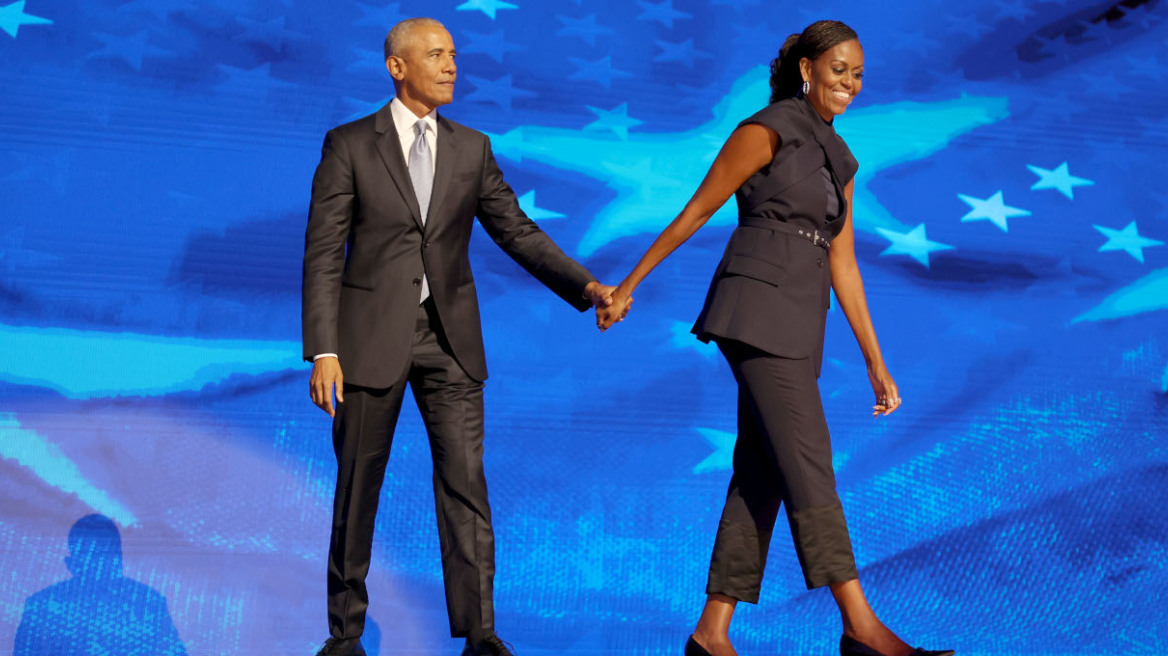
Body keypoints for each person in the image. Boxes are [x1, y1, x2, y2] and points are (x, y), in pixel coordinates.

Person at [596, 20, 953, 656]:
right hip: (755, 309)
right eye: (838, 69)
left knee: (760, 472)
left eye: (858, 74)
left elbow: (844, 264)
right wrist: (629, 285)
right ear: (807, 69)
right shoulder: (766, 129)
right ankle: (861, 627)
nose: (850, 83)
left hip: (802, 319)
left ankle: (711, 633)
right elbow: (697, 210)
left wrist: (875, 362)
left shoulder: (840, 158)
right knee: (809, 461)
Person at [302, 17, 621, 656]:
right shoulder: (350, 144)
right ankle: (345, 634)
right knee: (358, 487)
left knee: (465, 485)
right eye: (436, 54)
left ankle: (480, 634)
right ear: (397, 67)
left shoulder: (472, 148)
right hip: (369, 341)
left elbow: (517, 231)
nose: (451, 65)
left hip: (450, 341)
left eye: (453, 54)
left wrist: (586, 287)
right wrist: (324, 350)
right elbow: (323, 251)